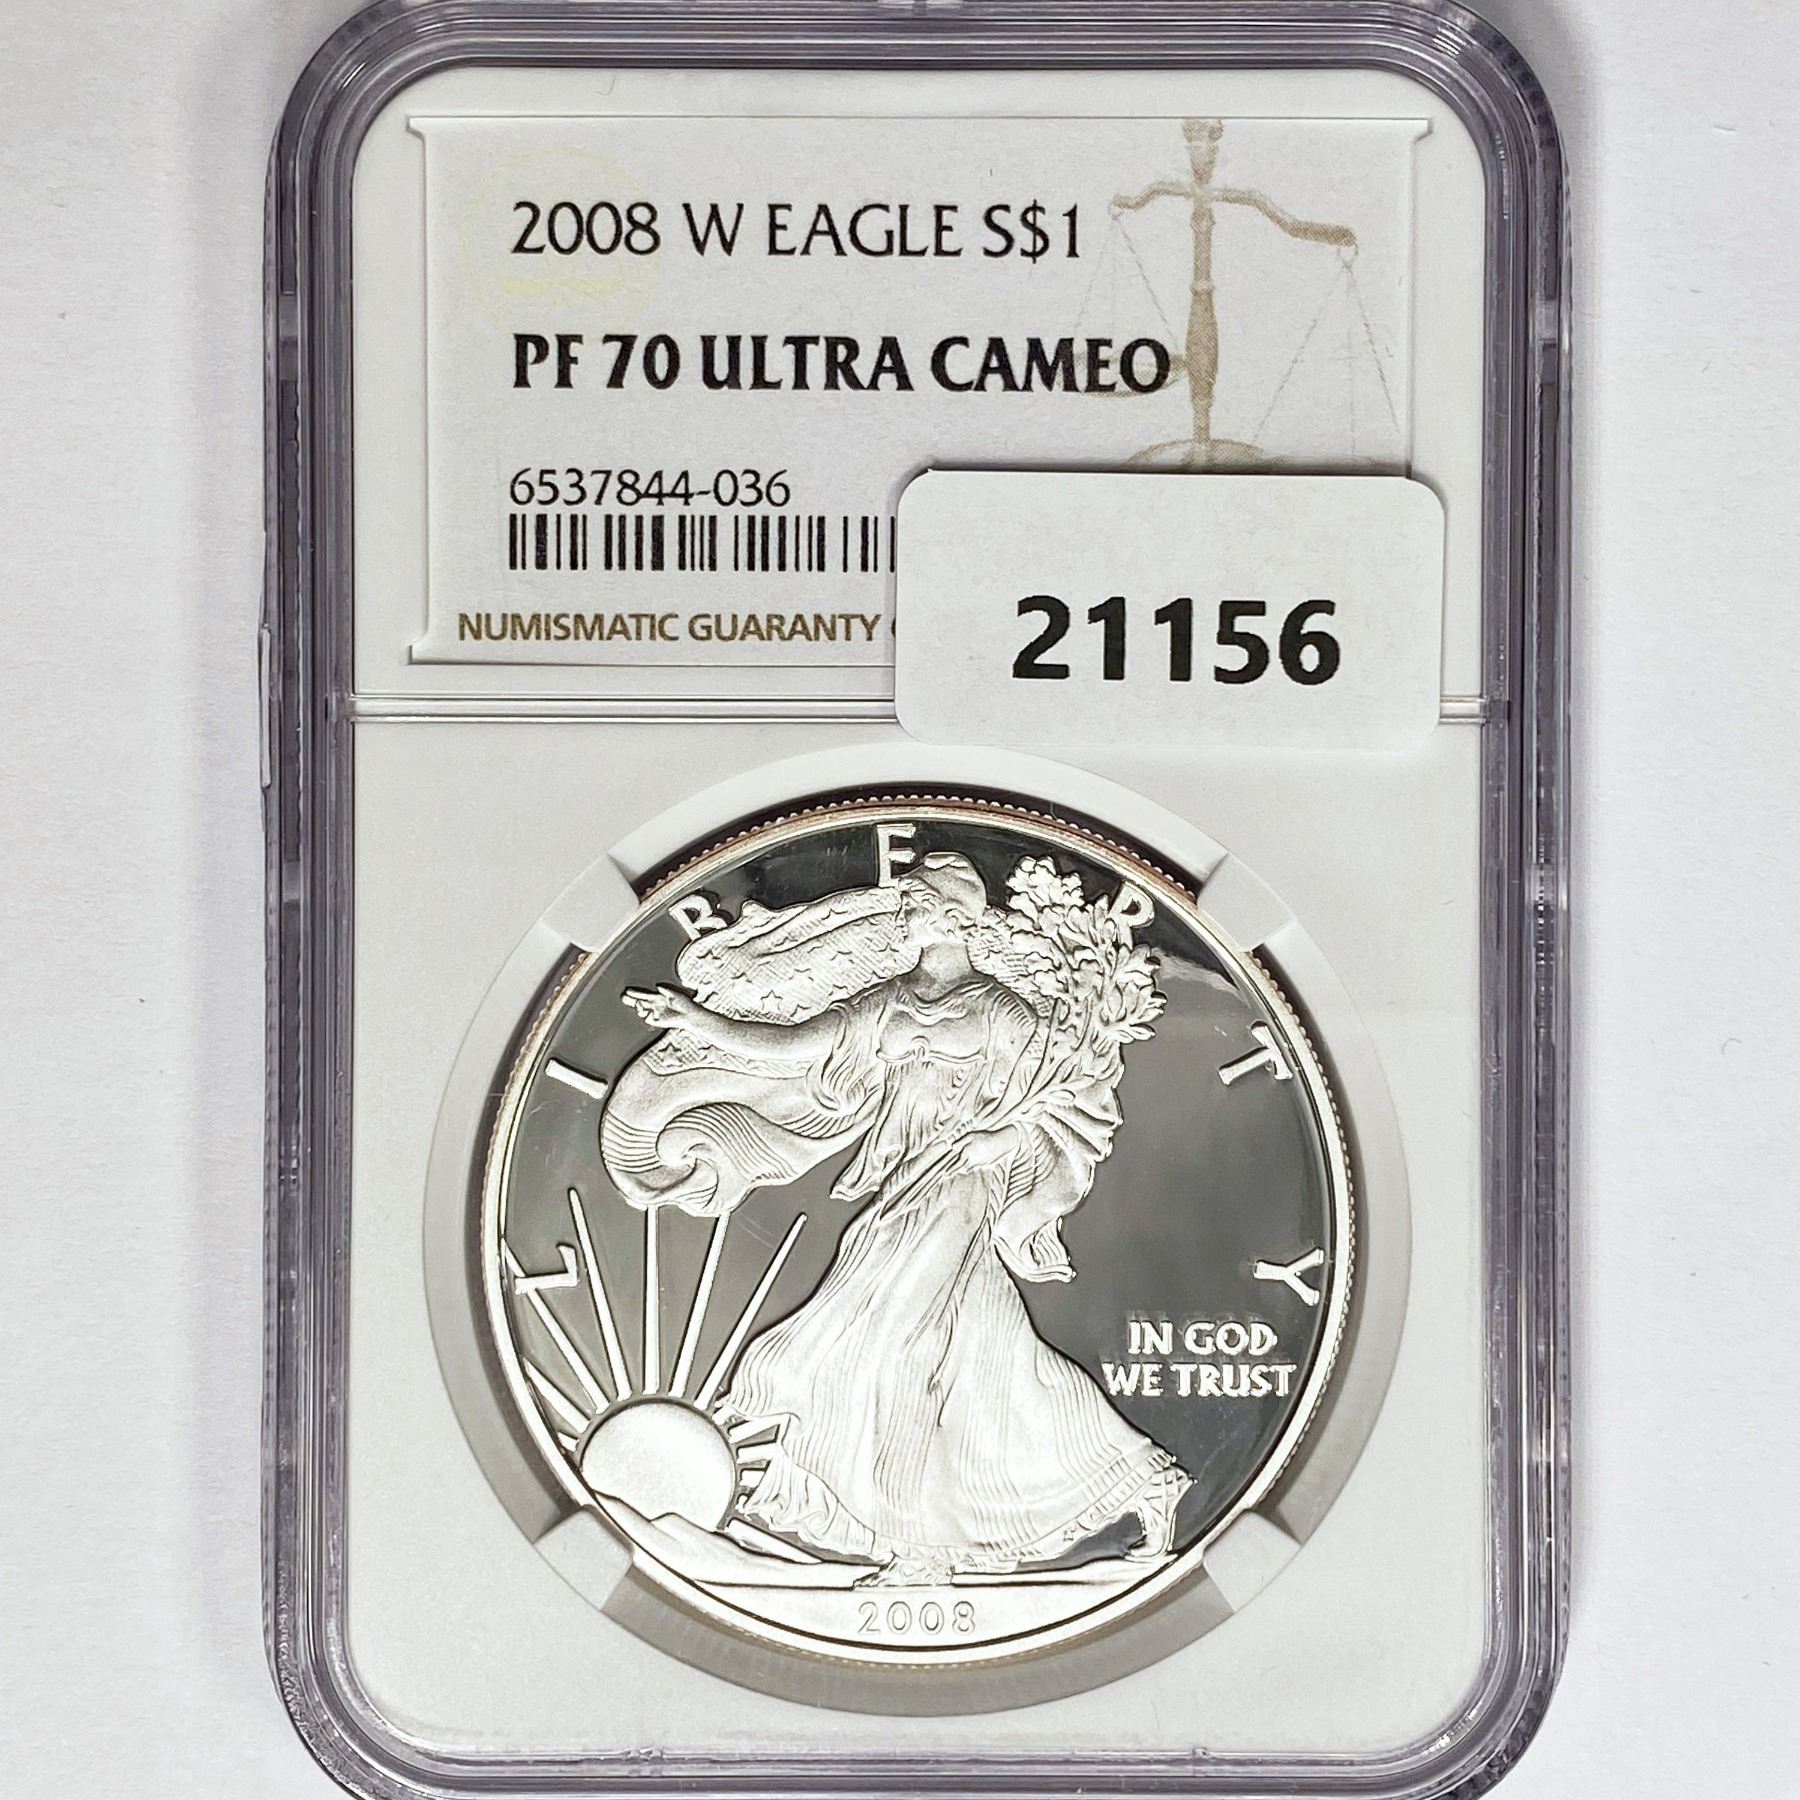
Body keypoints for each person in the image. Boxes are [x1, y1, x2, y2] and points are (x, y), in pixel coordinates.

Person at [624, 853, 1188, 1583]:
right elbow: (796, 1049)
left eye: (917, 904)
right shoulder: (886, 1002)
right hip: (902, 1185)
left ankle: (918, 1550)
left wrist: (998, 1141)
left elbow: (1056, 1104)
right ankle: (1145, 1478)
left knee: (897, 1349)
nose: (905, 915)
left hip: (962, 1188)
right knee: (995, 1364)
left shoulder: (1002, 1012)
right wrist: (700, 1020)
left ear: (952, 916)